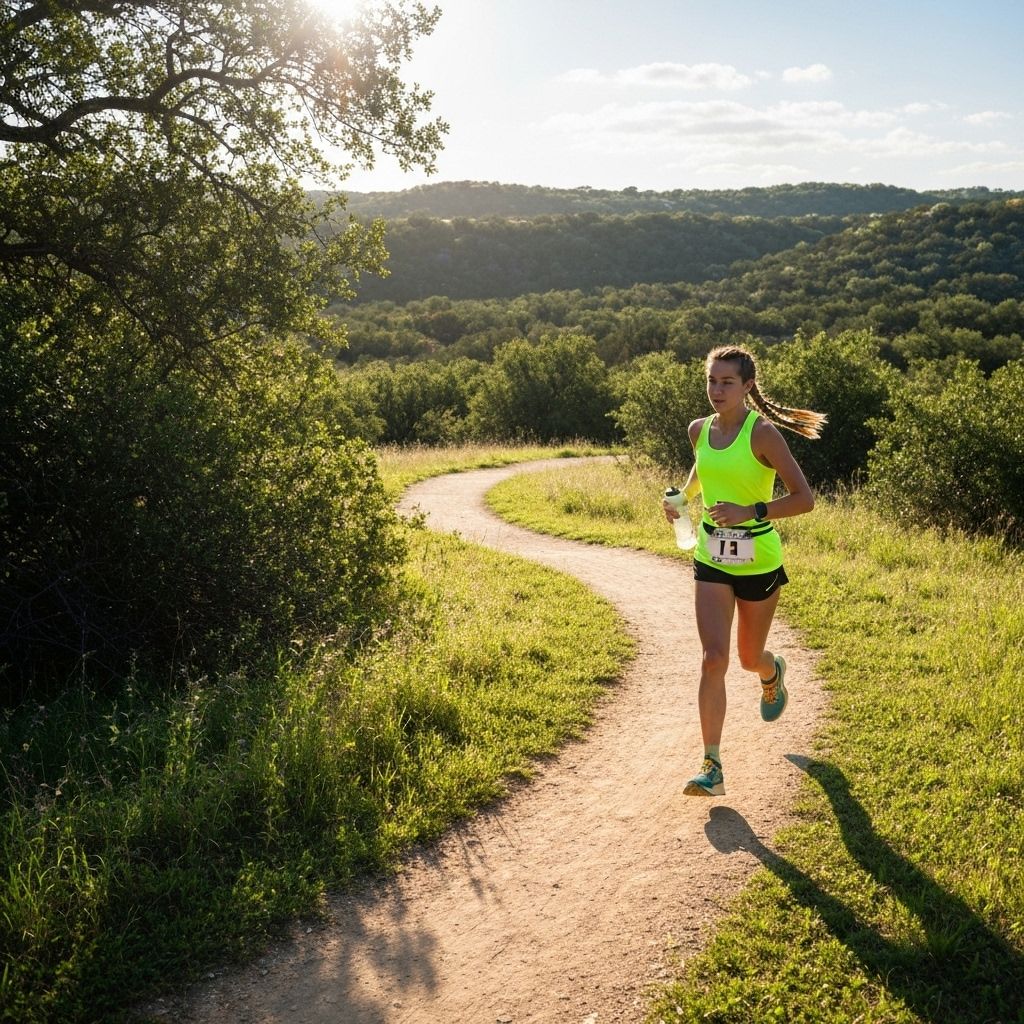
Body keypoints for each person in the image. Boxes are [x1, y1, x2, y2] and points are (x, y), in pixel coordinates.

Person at [663, 344, 825, 797]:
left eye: (727, 382)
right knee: (714, 659)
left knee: (748, 658)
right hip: (712, 557)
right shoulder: (699, 429)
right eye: (712, 381)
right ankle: (711, 765)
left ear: (747, 386)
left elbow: (803, 499)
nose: (717, 390)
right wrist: (680, 502)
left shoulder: (763, 434)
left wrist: (750, 509)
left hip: (759, 560)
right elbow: (702, 474)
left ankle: (771, 674)